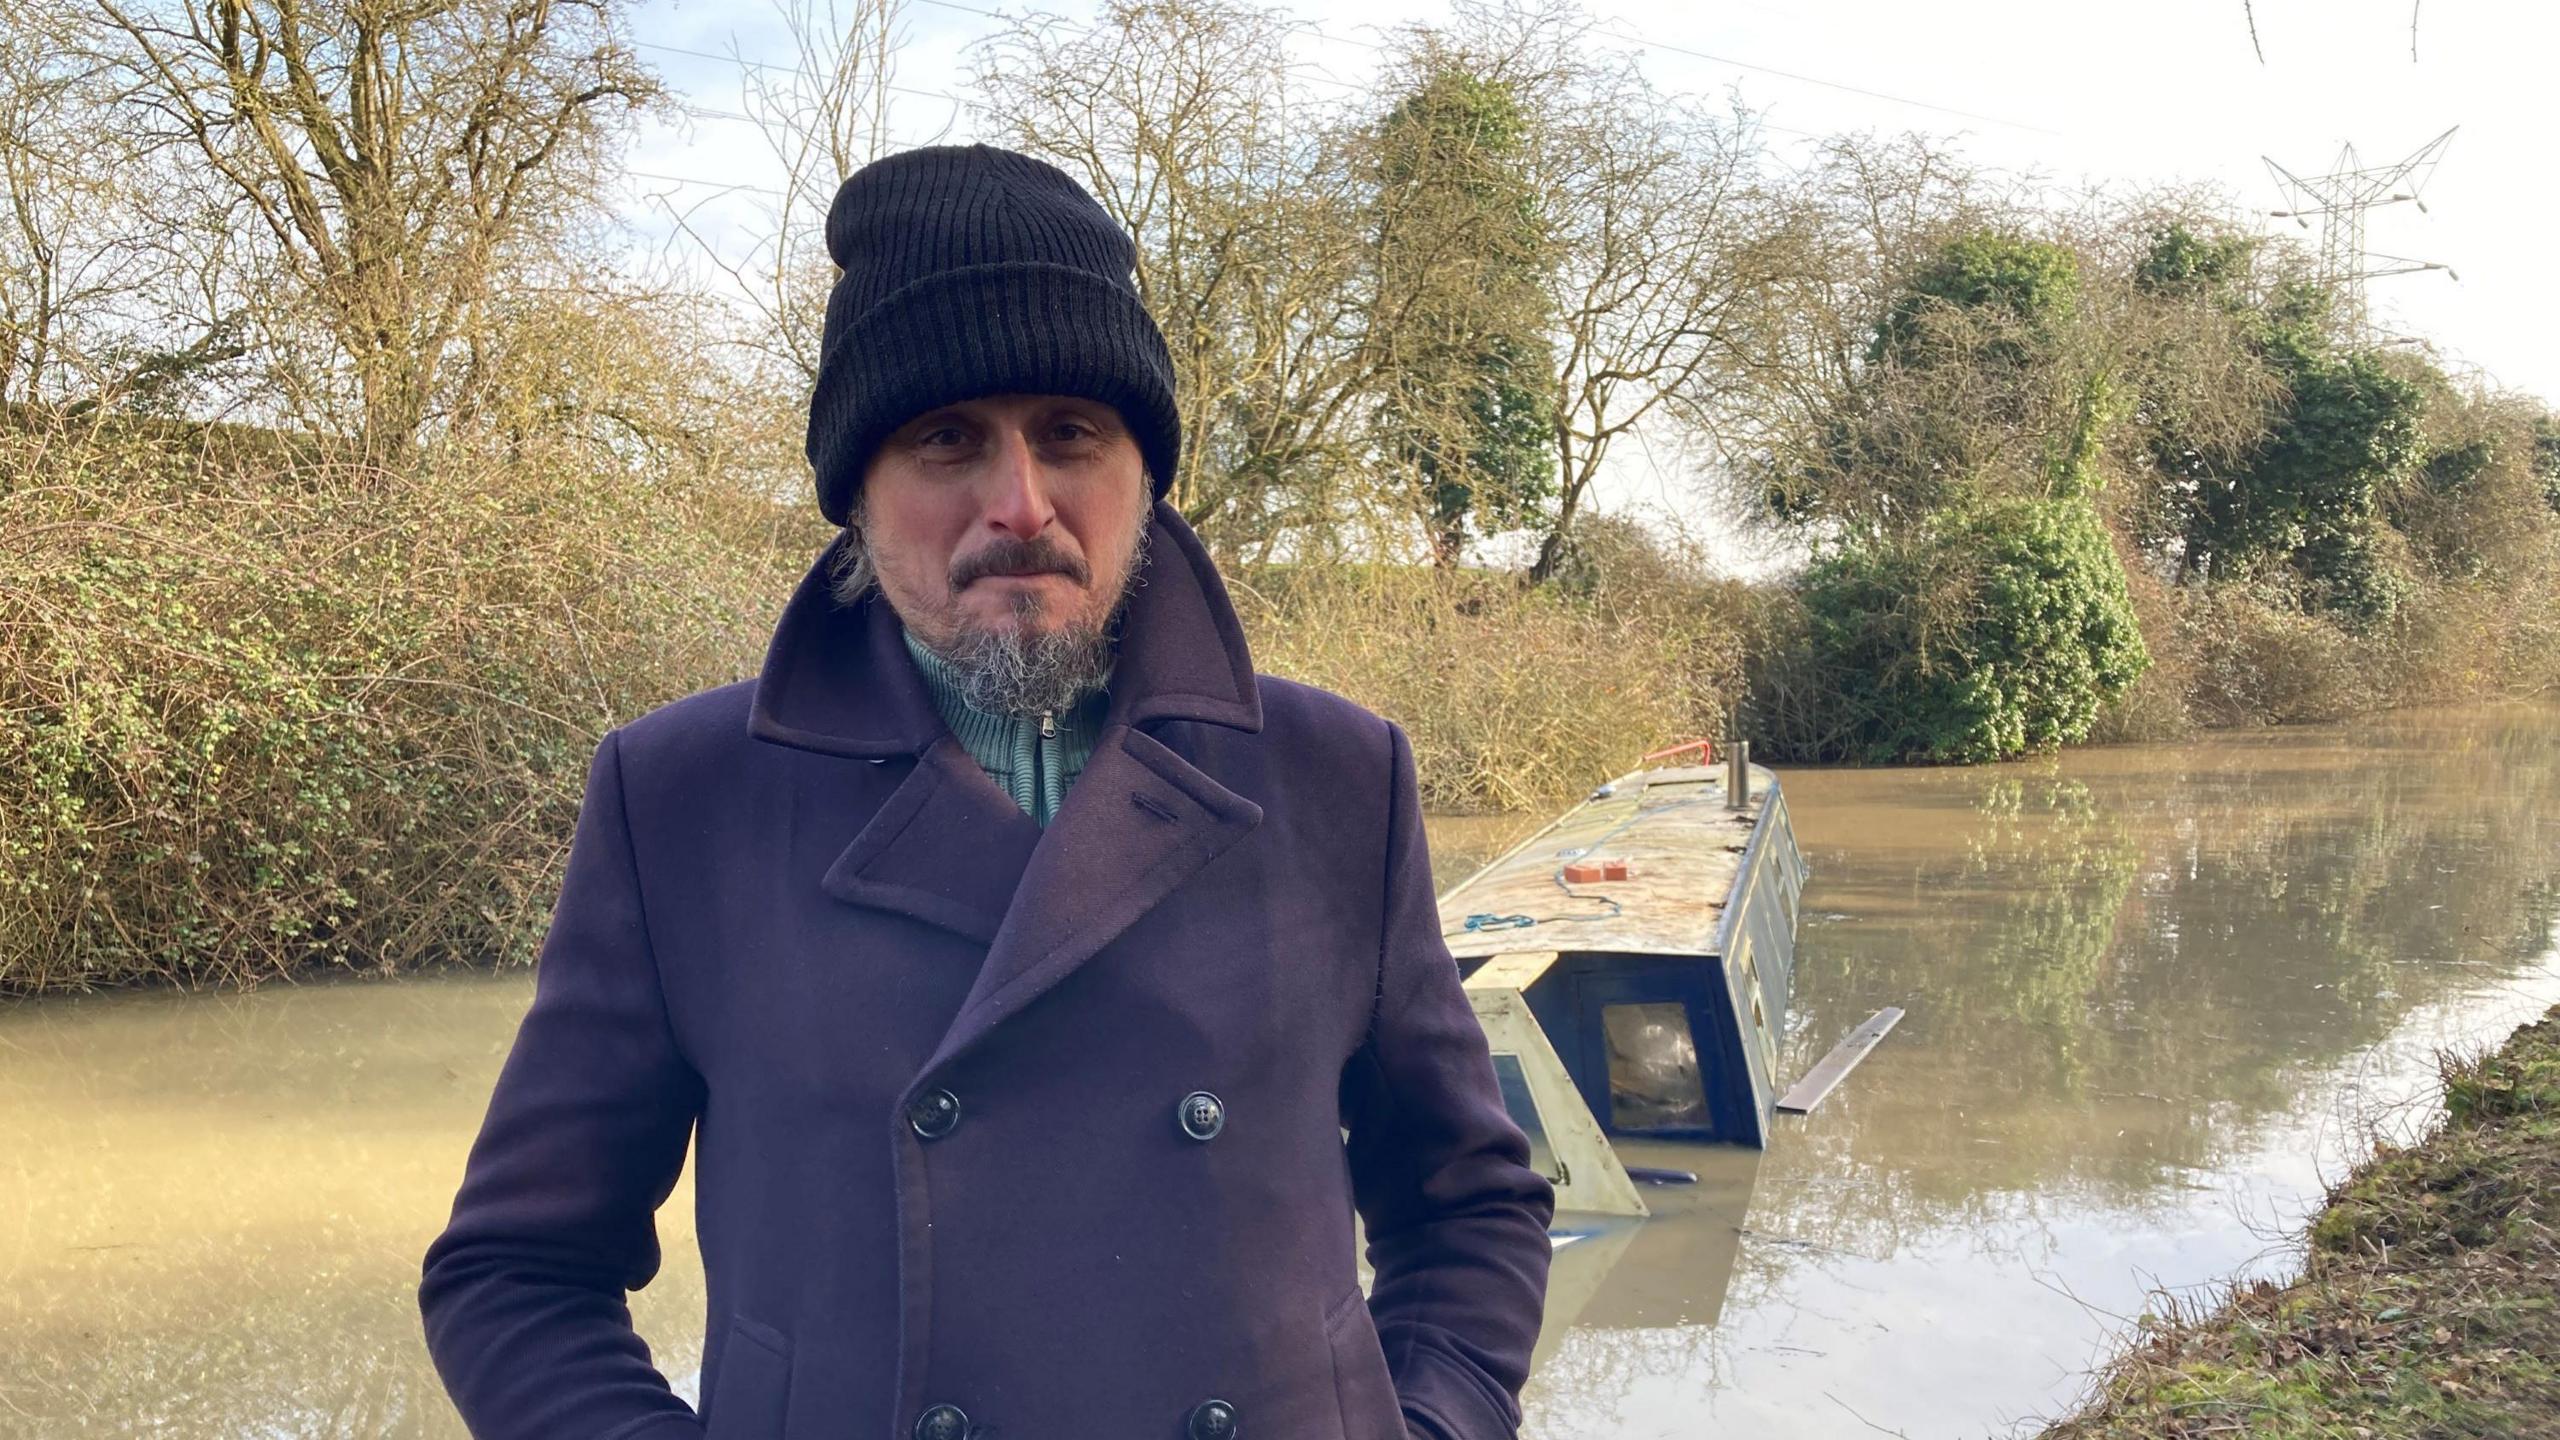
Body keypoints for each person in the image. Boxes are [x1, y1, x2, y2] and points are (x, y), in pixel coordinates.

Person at [418, 143, 1555, 1440]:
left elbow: (1471, 1206)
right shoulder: (678, 800)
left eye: (1071, 431)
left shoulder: (1340, 778)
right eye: (945, 438)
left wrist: (1436, 1424)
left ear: (1143, 469)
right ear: (856, 490)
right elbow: (514, 1274)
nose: (1019, 505)